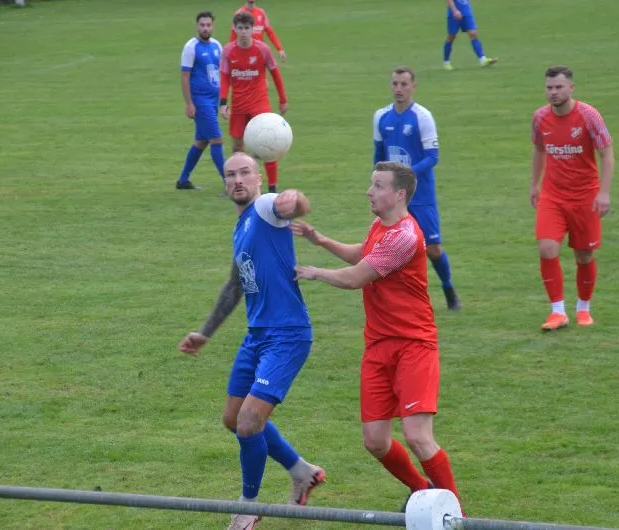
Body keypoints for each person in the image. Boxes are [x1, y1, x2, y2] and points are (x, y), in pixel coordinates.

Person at [293, 161, 463, 513]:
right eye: (371, 184)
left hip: (413, 345)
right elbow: (363, 253)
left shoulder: (404, 236)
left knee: (418, 436)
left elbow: (356, 277)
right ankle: (422, 491)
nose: (369, 191)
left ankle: (455, 514)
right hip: (378, 345)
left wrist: (314, 272)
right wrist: (320, 239)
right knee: (375, 441)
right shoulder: (380, 226)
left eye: (378, 186)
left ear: (399, 194)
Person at [178, 152, 325, 530]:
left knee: (248, 422)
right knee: (233, 419)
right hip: (257, 336)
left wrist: (294, 199)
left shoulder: (264, 208)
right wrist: (205, 333)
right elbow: (235, 285)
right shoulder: (241, 226)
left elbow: (292, 205)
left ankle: (247, 506)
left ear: (259, 178)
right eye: (231, 175)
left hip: (287, 335)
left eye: (245, 173)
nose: (238, 180)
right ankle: (301, 471)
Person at [531, 65, 614, 331]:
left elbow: (606, 153)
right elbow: (539, 150)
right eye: (549, 88)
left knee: (584, 255)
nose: (553, 92)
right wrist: (534, 185)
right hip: (553, 195)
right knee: (546, 248)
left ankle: (583, 308)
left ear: (571, 88)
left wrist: (604, 192)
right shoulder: (540, 117)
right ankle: (557, 312)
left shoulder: (589, 116)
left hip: (585, 196)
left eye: (558, 87)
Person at [373, 66, 460, 310]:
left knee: (432, 249)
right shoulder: (381, 117)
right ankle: (395, 299)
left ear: (413, 86)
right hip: (393, 197)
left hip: (421, 196)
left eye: (404, 84)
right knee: (391, 246)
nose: (399, 89)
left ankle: (448, 289)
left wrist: (407, 175)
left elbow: (433, 156)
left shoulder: (422, 117)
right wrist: (378, 184)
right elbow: (378, 156)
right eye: (395, 84)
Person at [220, 12, 288, 194]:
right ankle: (238, 185)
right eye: (240, 28)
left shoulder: (262, 49)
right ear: (234, 29)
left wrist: (283, 99)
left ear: (252, 29)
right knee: (237, 147)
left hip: (259, 105)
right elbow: (225, 77)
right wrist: (223, 102)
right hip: (238, 106)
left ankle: (272, 188)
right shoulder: (228, 51)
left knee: (268, 144)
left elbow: (275, 74)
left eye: (246, 28)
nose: (243, 32)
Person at [176, 11, 225, 191]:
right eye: (202, 25)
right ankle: (229, 183)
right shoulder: (191, 47)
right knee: (216, 139)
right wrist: (189, 103)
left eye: (208, 25)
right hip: (200, 101)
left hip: (213, 100)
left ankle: (183, 181)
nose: (205, 28)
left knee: (202, 141)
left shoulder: (217, 45)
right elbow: (185, 77)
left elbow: (223, 72)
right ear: (197, 26)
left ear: (213, 26)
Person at [443, 0, 497, 70]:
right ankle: (446, 62)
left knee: (473, 33)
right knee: (451, 36)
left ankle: (483, 60)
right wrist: (455, 11)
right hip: (454, 13)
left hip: (466, 10)